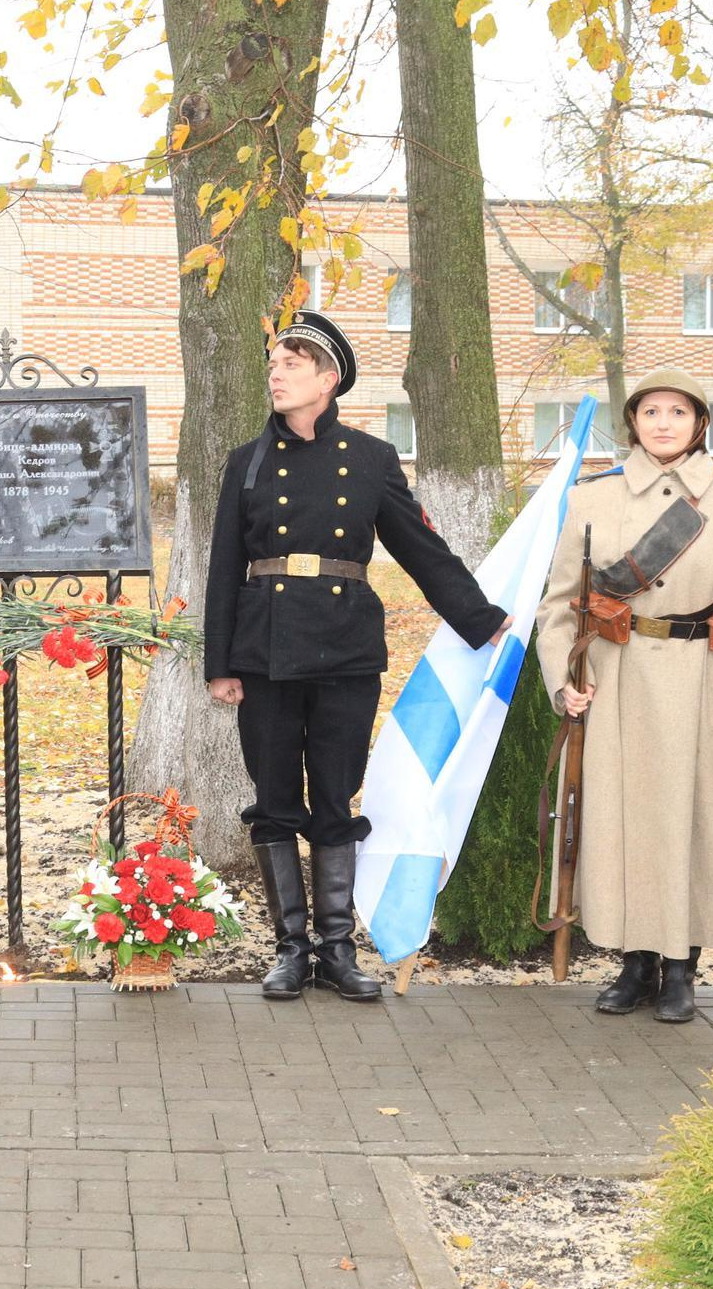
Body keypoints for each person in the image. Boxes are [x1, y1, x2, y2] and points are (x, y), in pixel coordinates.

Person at [203, 310, 508, 1001]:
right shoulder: (244, 462)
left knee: (335, 798)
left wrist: (481, 618)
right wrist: (219, 663)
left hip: (344, 650)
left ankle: (337, 949)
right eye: (273, 363)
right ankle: (290, 948)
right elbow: (225, 565)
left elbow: (420, 547)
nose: (276, 373)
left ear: (329, 377)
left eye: (292, 362)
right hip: (265, 652)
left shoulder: (370, 459)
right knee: (275, 799)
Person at [534, 367, 713, 1023]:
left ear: (700, 421)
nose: (664, 422)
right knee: (624, 822)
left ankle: (682, 967)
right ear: (634, 422)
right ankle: (634, 961)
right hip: (617, 680)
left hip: (702, 685)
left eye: (678, 411)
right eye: (652, 412)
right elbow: (560, 602)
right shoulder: (594, 498)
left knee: (693, 824)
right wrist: (564, 680)